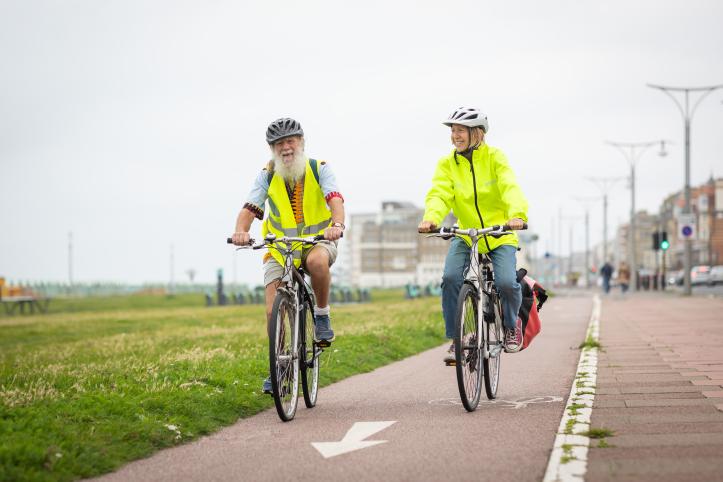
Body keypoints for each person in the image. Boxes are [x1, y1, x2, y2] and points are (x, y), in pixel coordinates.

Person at [231, 117, 345, 393]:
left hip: (316, 242)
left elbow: (335, 200)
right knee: (272, 309)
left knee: (318, 262)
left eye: (290, 141)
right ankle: (279, 366)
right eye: (279, 144)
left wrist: (337, 225)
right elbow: (249, 208)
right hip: (280, 249)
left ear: (301, 142)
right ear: (272, 149)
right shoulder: (267, 174)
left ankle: (321, 314)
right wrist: (240, 231)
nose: (285, 148)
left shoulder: (320, 169)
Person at [418, 107, 529, 362]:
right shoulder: (447, 164)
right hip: (467, 233)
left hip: (500, 232)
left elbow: (509, 186)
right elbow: (440, 193)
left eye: (460, 131)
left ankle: (511, 325)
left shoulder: (495, 158)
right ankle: (459, 337)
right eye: (452, 131)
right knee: (450, 278)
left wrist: (517, 216)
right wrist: (431, 218)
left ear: (476, 133)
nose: (455, 136)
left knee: (504, 282)